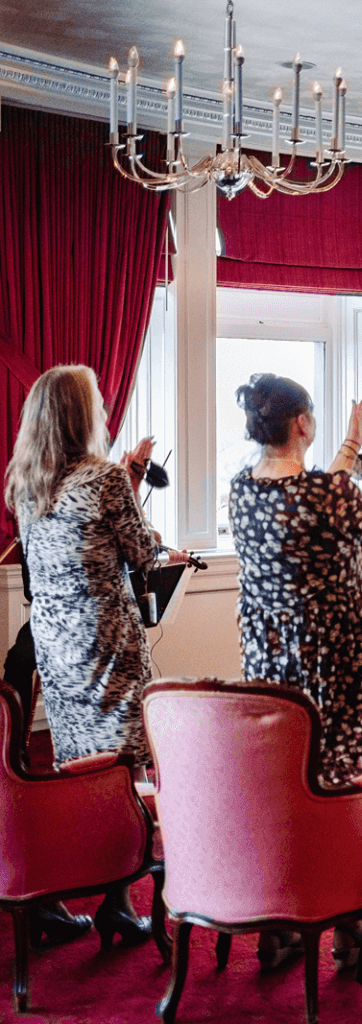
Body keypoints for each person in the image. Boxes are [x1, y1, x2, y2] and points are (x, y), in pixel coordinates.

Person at [227, 373, 362, 966]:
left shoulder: (241, 488)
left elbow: (317, 492)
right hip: (333, 661)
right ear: (302, 425)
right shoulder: (324, 495)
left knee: (290, 784)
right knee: (348, 787)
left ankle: (282, 919)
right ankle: (350, 924)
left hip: (270, 663)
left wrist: (346, 445)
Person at [4, 364, 189, 948]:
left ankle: (57, 895)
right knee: (125, 768)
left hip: (56, 647)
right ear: (83, 417)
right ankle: (118, 900)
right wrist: (162, 542)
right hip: (106, 643)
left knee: (75, 768)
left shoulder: (25, 483)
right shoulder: (105, 479)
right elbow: (137, 552)